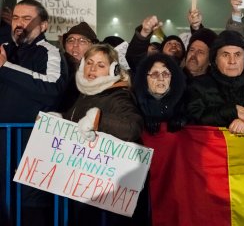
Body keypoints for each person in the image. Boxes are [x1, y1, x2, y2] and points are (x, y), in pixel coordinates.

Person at [0, 0, 68, 226]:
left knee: (29, 213)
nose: (19, 23)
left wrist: (6, 68)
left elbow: (52, 88)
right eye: (16, 18)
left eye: (27, 18)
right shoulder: (4, 49)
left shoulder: (51, 53)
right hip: (3, 150)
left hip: (30, 152)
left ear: (44, 25)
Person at [63, 43, 143, 226]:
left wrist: (99, 120)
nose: (92, 69)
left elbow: (133, 127)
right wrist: (55, 121)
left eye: (100, 65)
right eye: (89, 63)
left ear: (113, 69)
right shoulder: (84, 95)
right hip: (84, 189)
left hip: (106, 197)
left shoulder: (117, 96)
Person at [134, 53, 186, 226]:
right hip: (141, 185)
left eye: (166, 73)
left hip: (174, 185)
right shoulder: (133, 103)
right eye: (154, 74)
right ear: (145, 78)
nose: (161, 79)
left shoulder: (185, 103)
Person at [58, 21, 99, 112]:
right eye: (70, 40)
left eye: (82, 41)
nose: (75, 45)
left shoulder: (100, 72)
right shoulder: (56, 68)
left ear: (93, 46)